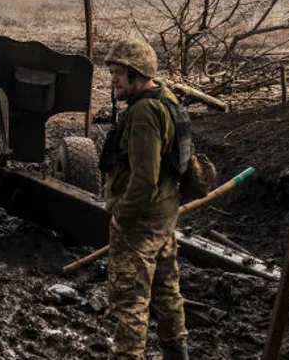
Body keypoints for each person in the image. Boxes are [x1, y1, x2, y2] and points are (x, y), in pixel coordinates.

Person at [100, 38, 188, 360]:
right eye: (112, 73)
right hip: (164, 214)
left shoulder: (144, 113)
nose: (113, 80)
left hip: (141, 221)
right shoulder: (165, 97)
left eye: (119, 73)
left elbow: (144, 179)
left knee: (130, 301)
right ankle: (177, 353)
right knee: (166, 292)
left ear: (137, 74)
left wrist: (121, 215)